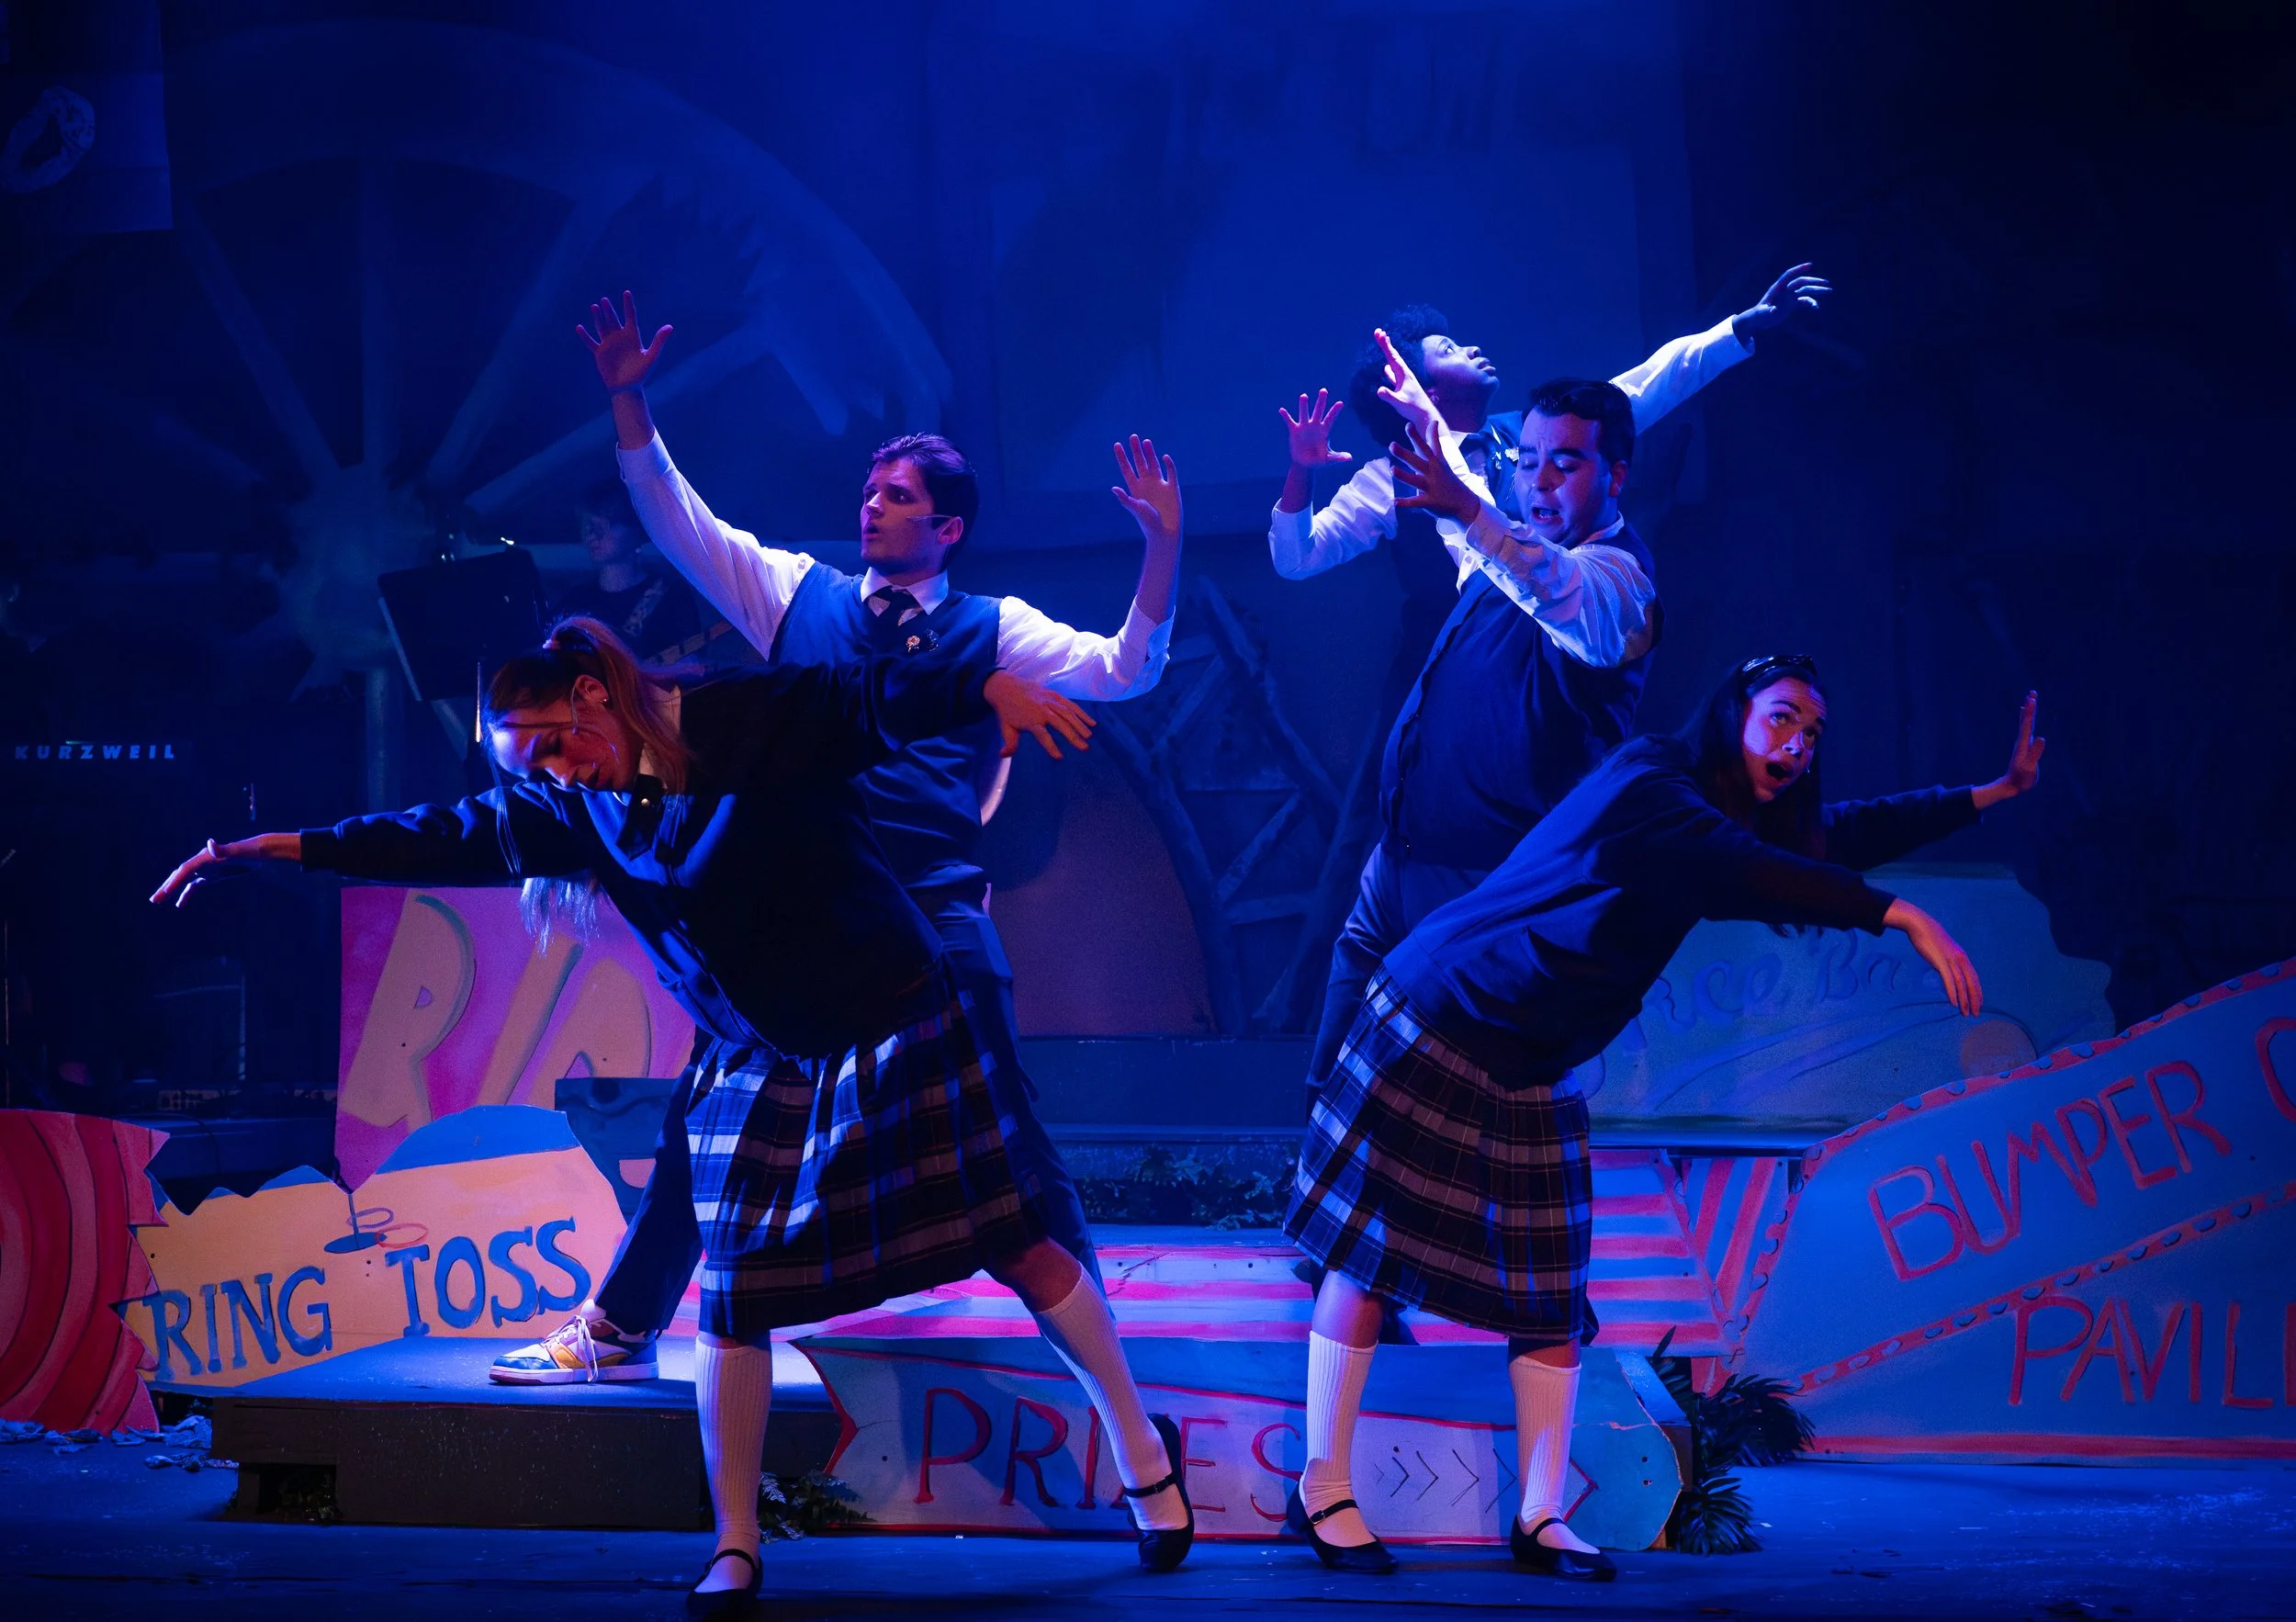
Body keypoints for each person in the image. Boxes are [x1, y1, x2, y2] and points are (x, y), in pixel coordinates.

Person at [151, 620, 1199, 1612]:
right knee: (736, 1293)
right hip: (754, 1049)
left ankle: (1145, 1460)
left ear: (596, 693)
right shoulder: (572, 805)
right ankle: (734, 1542)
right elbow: (442, 834)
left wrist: (984, 683)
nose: (558, 770)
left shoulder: (742, 721)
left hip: (888, 1014)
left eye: (561, 742)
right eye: (534, 765)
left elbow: (868, 693)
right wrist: (272, 848)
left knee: (1015, 1239)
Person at [482, 293, 1181, 1407]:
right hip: (805, 915)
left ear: (947, 527)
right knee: (700, 1117)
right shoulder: (797, 597)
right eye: (869, 488)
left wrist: (1160, 549)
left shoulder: (989, 628)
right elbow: (679, 521)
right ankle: (619, 1325)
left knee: (1013, 1143)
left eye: (898, 496)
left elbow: (1125, 667)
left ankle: (1096, 1357)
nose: (873, 504)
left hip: (933, 911)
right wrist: (628, 401)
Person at [1282, 656, 2046, 1580]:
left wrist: (1986, 793)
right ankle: (1320, 1487)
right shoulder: (1652, 786)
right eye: (1782, 718)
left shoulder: (1716, 816)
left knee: (1549, 1292)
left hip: (1535, 1056)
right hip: (1446, 1010)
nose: (1798, 745)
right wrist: (1899, 915)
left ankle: (1539, 1513)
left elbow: (1824, 838)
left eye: (1812, 733)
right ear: (1732, 710)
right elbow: (1752, 868)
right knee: (1370, 1255)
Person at [1277, 268, 1833, 1093]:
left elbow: (1645, 386)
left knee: (1502, 924)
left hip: (1536, 687)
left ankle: (1532, 1055)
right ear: (1419, 389)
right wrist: (1305, 474)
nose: (1469, 343)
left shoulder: (1543, 452)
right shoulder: (1396, 478)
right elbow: (1303, 556)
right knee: (1390, 866)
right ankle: (1344, 1088)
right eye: (1444, 348)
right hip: (1449, 676)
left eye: (1562, 463)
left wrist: (1738, 331)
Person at [551, 479, 719, 666]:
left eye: (607, 524)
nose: (592, 533)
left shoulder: (669, 594)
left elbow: (691, 665)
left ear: (636, 530)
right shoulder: (574, 602)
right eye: (587, 522)